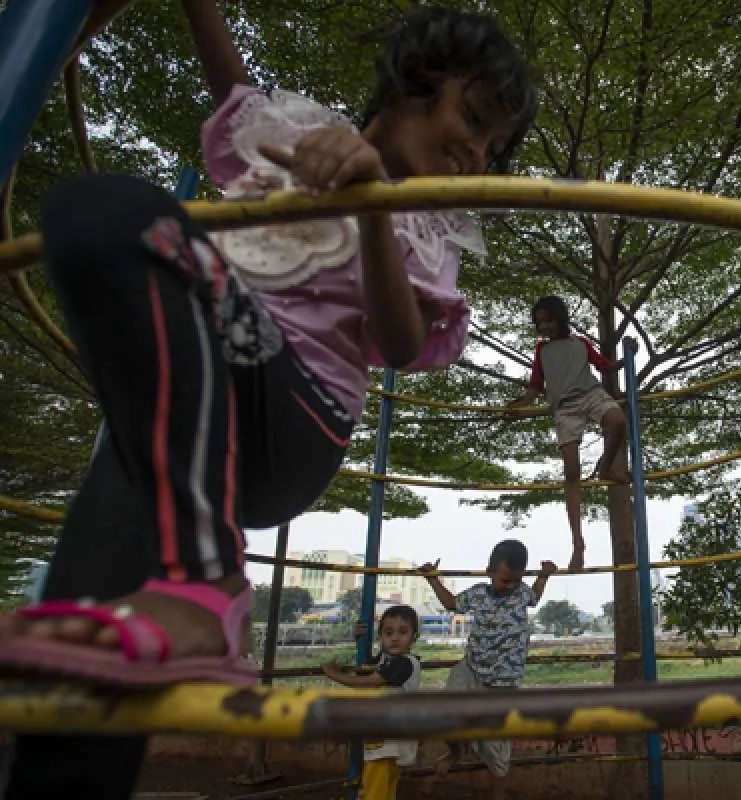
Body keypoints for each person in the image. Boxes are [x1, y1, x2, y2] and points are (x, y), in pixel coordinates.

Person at [0, 0, 537, 689]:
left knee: (130, 222)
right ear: (417, 78)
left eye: (493, 148)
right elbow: (233, 90)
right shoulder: (302, 134)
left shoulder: (429, 222)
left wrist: (372, 203)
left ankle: (207, 586)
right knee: (75, 651)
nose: (477, 153)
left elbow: (401, 345)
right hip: (185, 429)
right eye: (473, 119)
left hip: (290, 421)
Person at [418, 540, 555, 800]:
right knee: (446, 710)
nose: (511, 587)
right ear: (489, 572)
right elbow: (451, 605)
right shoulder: (478, 593)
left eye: (516, 580)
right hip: (472, 669)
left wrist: (544, 575)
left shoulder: (522, 592)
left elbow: (535, 595)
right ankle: (456, 751)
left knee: (497, 751)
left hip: (503, 684)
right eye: (505, 580)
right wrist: (432, 579)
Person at [506, 295, 627, 569]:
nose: (545, 326)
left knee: (618, 420)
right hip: (564, 407)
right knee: (571, 473)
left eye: (548, 320)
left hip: (592, 393)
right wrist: (517, 406)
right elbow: (535, 388)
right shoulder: (542, 352)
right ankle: (578, 544)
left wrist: (628, 355)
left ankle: (606, 467)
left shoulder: (581, 344)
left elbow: (606, 366)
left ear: (561, 317)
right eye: (539, 323)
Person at [322, 606, 423, 800]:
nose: (394, 638)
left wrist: (333, 674)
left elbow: (366, 682)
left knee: (374, 791)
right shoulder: (386, 661)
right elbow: (365, 667)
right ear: (380, 636)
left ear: (414, 637)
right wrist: (359, 638)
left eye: (402, 632)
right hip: (389, 737)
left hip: (387, 739)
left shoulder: (404, 663)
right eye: (388, 632)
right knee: (384, 790)